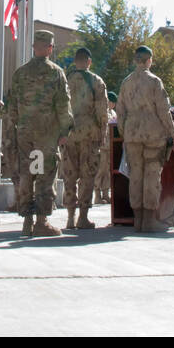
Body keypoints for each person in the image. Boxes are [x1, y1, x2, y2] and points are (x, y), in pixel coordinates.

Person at [1, 29, 72, 236]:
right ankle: (41, 221)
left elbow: (11, 106)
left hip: (25, 135)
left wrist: (18, 127)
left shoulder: (20, 73)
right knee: (45, 175)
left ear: (34, 47)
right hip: (46, 136)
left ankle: (27, 220)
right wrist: (65, 130)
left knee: (28, 173)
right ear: (50, 48)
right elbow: (63, 105)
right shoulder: (55, 72)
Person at [117, 44, 174, 233]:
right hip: (153, 135)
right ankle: (149, 220)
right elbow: (163, 111)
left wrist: (125, 133)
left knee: (135, 175)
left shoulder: (126, 82)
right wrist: (173, 136)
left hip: (132, 136)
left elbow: (120, 112)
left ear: (136, 60)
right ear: (149, 60)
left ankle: (138, 220)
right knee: (151, 176)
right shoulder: (154, 81)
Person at [61, 46, 109, 229]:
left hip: (70, 133)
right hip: (90, 134)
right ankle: (83, 217)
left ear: (75, 61)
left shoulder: (65, 81)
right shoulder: (96, 81)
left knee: (70, 174)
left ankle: (70, 217)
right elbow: (102, 112)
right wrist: (102, 134)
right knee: (87, 175)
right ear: (89, 61)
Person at [94, 92, 116, 204]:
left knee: (107, 171)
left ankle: (106, 194)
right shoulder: (102, 112)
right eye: (112, 102)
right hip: (102, 146)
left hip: (110, 146)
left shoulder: (113, 113)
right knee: (100, 171)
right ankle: (97, 195)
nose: (113, 105)